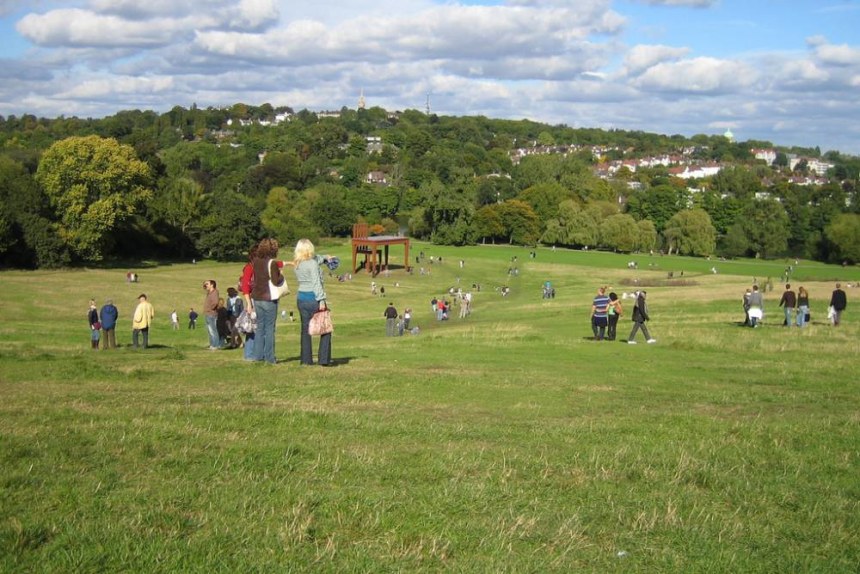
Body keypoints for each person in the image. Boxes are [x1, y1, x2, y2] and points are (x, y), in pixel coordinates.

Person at [293, 238, 331, 366]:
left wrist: (325, 258)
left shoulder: (297, 263)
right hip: (313, 298)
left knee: (305, 330)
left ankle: (305, 360)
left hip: (301, 298)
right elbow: (316, 283)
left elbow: (317, 259)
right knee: (325, 328)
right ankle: (324, 359)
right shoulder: (312, 264)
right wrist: (321, 300)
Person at [250, 238, 286, 364]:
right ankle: (270, 357)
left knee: (260, 327)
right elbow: (276, 281)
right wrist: (281, 274)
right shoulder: (273, 263)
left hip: (257, 297)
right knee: (270, 328)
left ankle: (257, 356)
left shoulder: (256, 261)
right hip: (269, 298)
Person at [239, 244, 258, 361]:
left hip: (258, 299)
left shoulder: (258, 267)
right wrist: (249, 304)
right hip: (252, 299)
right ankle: (249, 354)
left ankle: (254, 353)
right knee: (251, 328)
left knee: (257, 328)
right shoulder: (249, 268)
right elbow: (245, 286)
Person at [202, 279, 221, 350]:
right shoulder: (210, 292)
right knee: (210, 330)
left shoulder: (214, 292)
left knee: (213, 330)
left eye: (207, 284)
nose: (205, 285)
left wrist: (210, 309)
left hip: (211, 314)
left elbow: (215, 302)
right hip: (208, 313)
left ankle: (216, 345)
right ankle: (212, 345)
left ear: (212, 285)